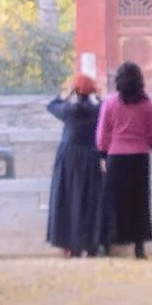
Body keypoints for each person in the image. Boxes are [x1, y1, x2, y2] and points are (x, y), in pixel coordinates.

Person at [96, 61, 152, 259]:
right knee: (139, 202)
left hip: (116, 157)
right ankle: (139, 247)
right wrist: (146, 145)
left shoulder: (110, 103)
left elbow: (102, 133)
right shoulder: (147, 104)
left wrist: (103, 153)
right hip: (140, 158)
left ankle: (106, 244)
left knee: (112, 202)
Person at [46, 73, 103, 258]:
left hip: (69, 157)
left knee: (67, 199)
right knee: (88, 200)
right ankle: (87, 246)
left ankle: (68, 245)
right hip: (91, 156)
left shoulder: (69, 110)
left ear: (75, 91)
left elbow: (51, 105)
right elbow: (104, 106)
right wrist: (98, 96)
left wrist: (65, 95)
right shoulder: (97, 111)